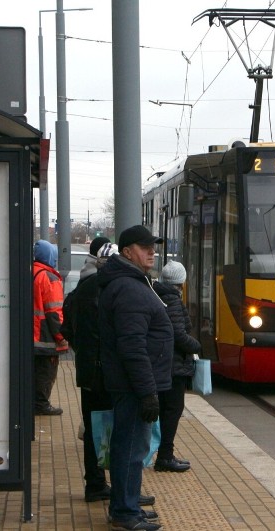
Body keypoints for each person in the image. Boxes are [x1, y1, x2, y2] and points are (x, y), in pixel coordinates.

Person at [97, 225, 173, 531]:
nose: (152, 252)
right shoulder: (129, 288)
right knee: (131, 449)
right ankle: (126, 512)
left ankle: (126, 506)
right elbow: (132, 347)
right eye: (145, 247)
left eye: (153, 247)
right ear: (127, 252)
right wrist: (147, 392)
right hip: (133, 385)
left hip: (133, 383)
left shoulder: (132, 282)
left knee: (131, 447)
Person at [72, 242, 116, 502]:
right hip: (105, 373)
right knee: (109, 429)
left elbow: (69, 325)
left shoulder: (83, 288)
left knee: (93, 428)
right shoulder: (107, 290)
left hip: (88, 371)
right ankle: (105, 485)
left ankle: (95, 482)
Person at [153, 261, 200, 473]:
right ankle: (165, 456)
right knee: (172, 410)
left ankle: (164, 453)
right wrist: (197, 346)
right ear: (181, 281)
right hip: (173, 365)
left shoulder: (158, 293)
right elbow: (178, 334)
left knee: (165, 409)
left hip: (164, 363)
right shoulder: (172, 300)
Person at [33, 239, 69, 416]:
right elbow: (54, 312)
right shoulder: (50, 278)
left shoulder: (31, 272)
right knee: (46, 371)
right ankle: (41, 404)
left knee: (34, 370)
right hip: (45, 336)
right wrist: (61, 336)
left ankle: (33, 401)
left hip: (31, 334)